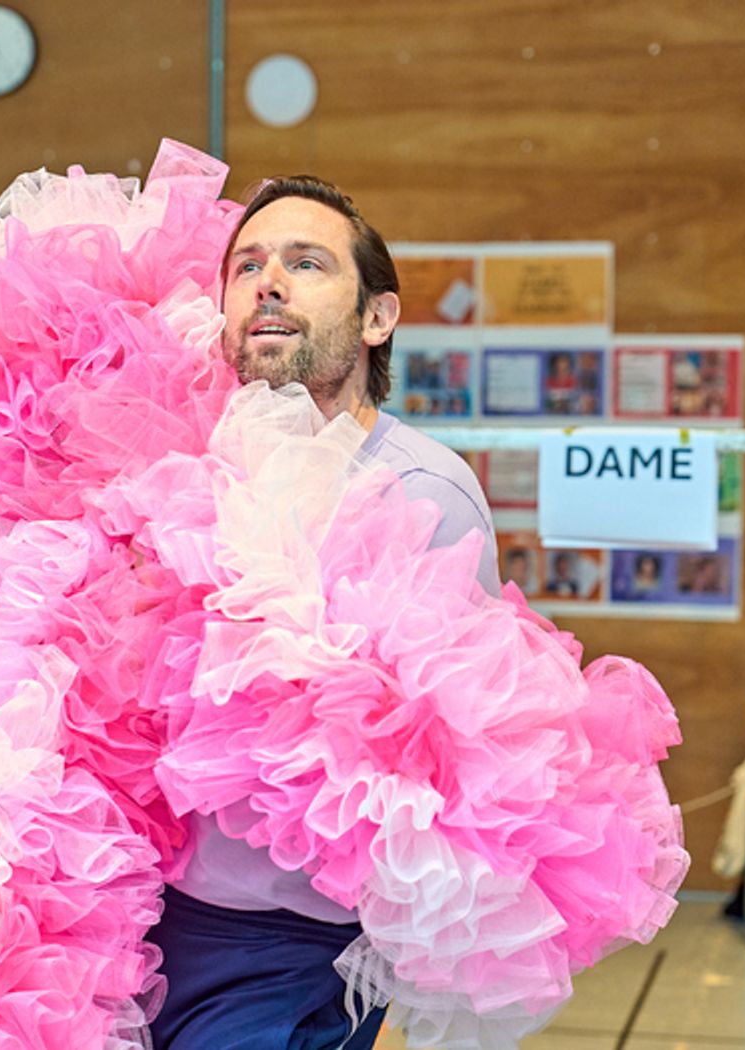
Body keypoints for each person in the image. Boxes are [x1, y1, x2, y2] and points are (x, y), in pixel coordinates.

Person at [148, 174, 501, 1050]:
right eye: (248, 267)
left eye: (307, 263)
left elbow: (462, 764)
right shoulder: (176, 469)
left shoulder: (421, 492)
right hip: (136, 915)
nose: (269, 282)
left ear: (377, 317)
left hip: (295, 947)